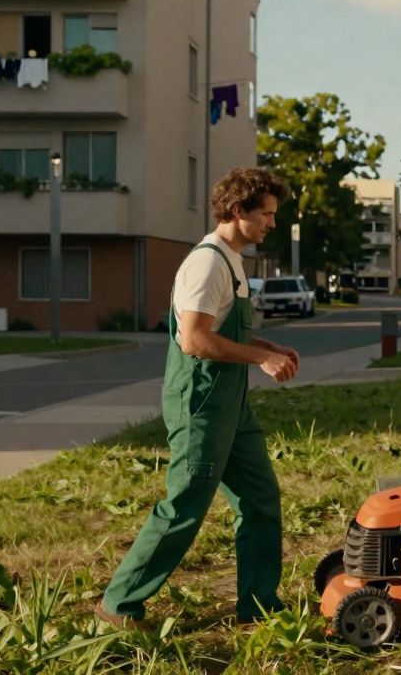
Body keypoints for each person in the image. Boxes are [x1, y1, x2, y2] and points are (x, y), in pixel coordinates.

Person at [98, 167, 299, 627]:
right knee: (186, 504)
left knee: (261, 498)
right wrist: (260, 360)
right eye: (265, 214)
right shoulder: (208, 262)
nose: (272, 223)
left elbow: (223, 329)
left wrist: (265, 347)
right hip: (202, 403)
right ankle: (119, 605)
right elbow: (193, 340)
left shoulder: (233, 261)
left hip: (232, 405)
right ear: (236, 211)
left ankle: (259, 604)